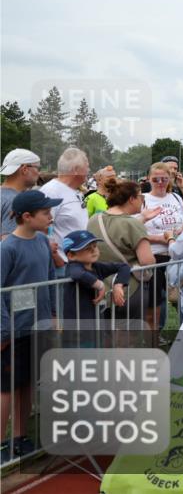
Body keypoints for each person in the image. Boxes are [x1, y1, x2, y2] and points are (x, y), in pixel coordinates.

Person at [1, 190, 61, 462]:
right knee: (5, 389)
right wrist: (4, 332)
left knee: (25, 385)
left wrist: (54, 315)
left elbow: (49, 279)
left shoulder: (42, 241)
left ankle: (19, 438)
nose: (51, 217)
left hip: (37, 326)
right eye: (46, 213)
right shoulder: (7, 248)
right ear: (27, 216)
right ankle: (2, 444)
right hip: (13, 331)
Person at [88, 179, 158, 324]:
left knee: (106, 335)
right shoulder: (131, 224)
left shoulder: (94, 219)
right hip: (129, 288)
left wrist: (142, 218)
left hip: (101, 288)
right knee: (130, 336)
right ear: (132, 199)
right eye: (141, 197)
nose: (142, 200)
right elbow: (147, 261)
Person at [143, 163, 183, 330]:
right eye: (156, 179)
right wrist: (161, 239)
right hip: (155, 258)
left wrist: (177, 236)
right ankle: (155, 341)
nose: (160, 182)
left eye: (164, 179)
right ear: (149, 179)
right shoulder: (143, 199)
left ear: (170, 179)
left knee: (181, 299)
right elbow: (135, 233)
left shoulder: (175, 198)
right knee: (155, 305)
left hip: (176, 257)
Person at [60, 230, 130, 332]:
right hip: (78, 327)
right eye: (88, 248)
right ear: (71, 256)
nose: (94, 250)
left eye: (95, 246)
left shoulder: (96, 266)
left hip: (96, 322)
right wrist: (100, 285)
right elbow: (77, 274)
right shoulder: (73, 266)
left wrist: (118, 285)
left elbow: (124, 266)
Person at [39, 147, 90, 267]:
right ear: (76, 170)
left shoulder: (74, 190)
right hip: (62, 266)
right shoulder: (51, 191)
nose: (89, 170)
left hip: (77, 264)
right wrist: (58, 259)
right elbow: (42, 228)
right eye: (87, 167)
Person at [0, 149, 41, 241]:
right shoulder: (15, 201)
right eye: (38, 168)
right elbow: (11, 244)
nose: (39, 173)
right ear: (25, 169)